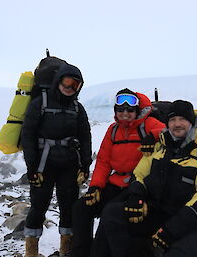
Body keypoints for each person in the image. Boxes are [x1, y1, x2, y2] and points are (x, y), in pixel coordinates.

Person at [92, 100, 197, 257]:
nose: (177, 124)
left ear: (192, 122)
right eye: (172, 120)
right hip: (159, 211)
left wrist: (172, 230)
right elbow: (139, 174)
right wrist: (136, 196)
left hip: (190, 221)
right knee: (113, 213)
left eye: (182, 119)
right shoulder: (161, 147)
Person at [71, 88, 166, 257]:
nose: (125, 113)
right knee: (81, 208)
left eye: (130, 110)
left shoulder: (148, 124)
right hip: (116, 182)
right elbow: (103, 161)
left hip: (137, 184)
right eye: (120, 109)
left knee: (110, 212)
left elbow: (168, 132)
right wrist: (95, 187)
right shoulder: (113, 130)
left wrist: (154, 136)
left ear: (137, 110)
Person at [21, 63, 92, 257]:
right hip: (44, 164)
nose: (69, 88)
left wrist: (85, 166)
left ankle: (66, 250)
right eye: (67, 82)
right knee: (39, 206)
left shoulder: (78, 108)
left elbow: (85, 137)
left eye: (75, 85)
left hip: (69, 164)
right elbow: (28, 135)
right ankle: (31, 251)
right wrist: (32, 168)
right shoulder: (40, 103)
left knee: (68, 206)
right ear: (58, 81)